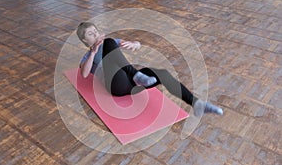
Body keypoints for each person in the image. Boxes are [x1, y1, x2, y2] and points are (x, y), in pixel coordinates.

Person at [76, 22, 223, 117]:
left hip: (131, 82)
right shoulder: (87, 56)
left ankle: (197, 104)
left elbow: (136, 44)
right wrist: (94, 52)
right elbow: (83, 74)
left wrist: (135, 43)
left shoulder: (111, 42)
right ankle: (136, 75)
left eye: (96, 31)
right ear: (84, 41)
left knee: (162, 74)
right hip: (116, 85)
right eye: (91, 34)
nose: (95, 34)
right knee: (108, 43)